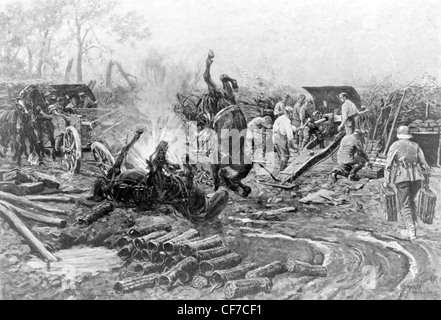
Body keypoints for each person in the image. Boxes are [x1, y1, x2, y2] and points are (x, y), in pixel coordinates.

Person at [384, 126, 430, 241]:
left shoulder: (395, 145)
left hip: (402, 177)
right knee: (411, 201)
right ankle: (413, 226)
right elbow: (425, 165)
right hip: (417, 178)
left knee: (405, 204)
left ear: (399, 134)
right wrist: (426, 181)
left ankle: (411, 231)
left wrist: (386, 181)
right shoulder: (415, 146)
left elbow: (388, 165)